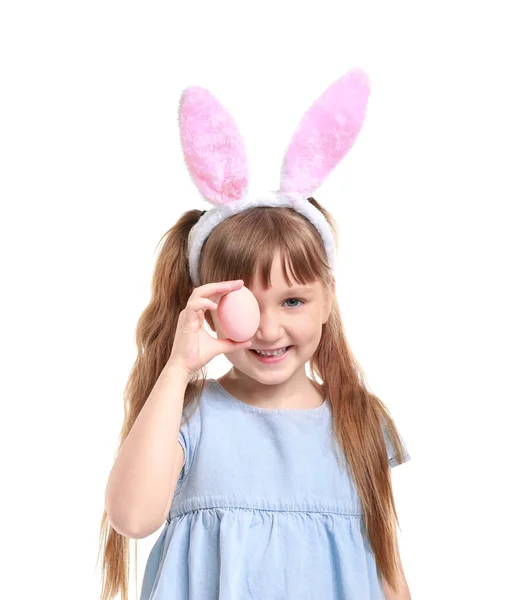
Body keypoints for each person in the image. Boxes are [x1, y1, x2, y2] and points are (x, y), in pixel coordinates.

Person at [99, 68, 413, 600]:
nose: (268, 329)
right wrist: (178, 368)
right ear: (210, 307)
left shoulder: (359, 420)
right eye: (245, 303)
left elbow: (386, 570)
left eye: (293, 300)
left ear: (327, 300)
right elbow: (131, 517)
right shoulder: (189, 414)